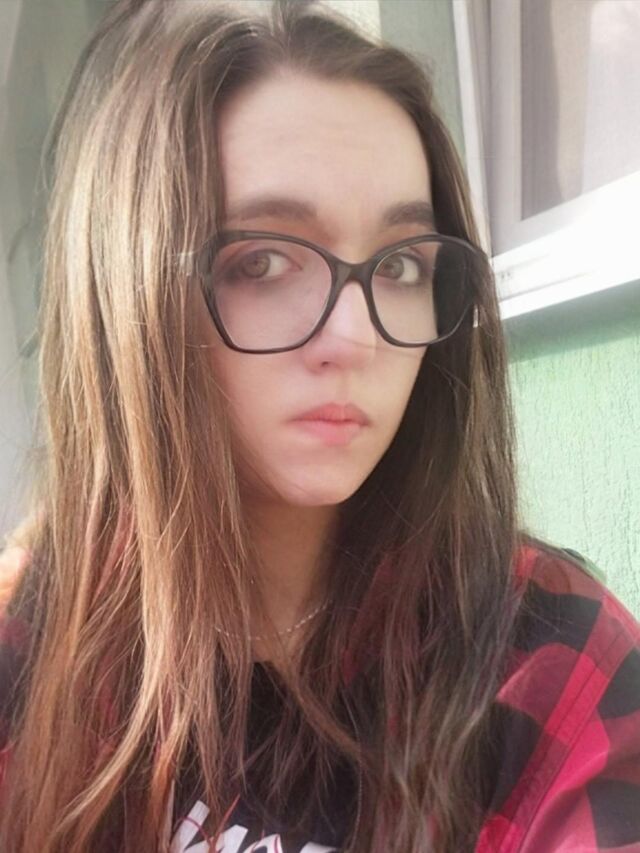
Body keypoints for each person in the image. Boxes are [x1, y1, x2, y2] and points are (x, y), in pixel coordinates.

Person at [0, 1, 638, 851]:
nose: (357, 336)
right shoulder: (43, 634)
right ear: (130, 297)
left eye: (401, 263)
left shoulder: (550, 662)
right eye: (262, 260)